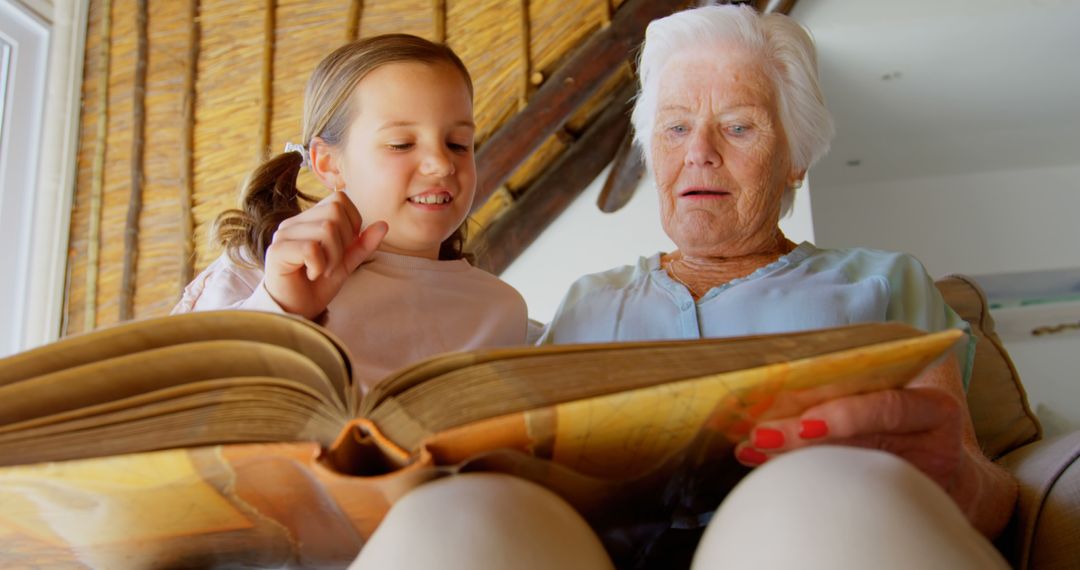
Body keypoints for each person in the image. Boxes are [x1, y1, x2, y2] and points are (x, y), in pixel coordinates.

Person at [350, 6, 1016, 569]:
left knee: (812, 495)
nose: (699, 151)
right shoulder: (588, 301)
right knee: (451, 515)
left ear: (795, 157)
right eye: (675, 127)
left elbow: (986, 486)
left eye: (738, 125)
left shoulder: (882, 282)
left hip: (811, 541)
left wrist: (950, 479)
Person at [173, 34, 527, 393]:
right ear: (328, 163)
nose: (441, 164)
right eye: (401, 144)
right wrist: (284, 309)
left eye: (458, 145)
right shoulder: (258, 269)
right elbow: (176, 412)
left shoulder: (500, 311)